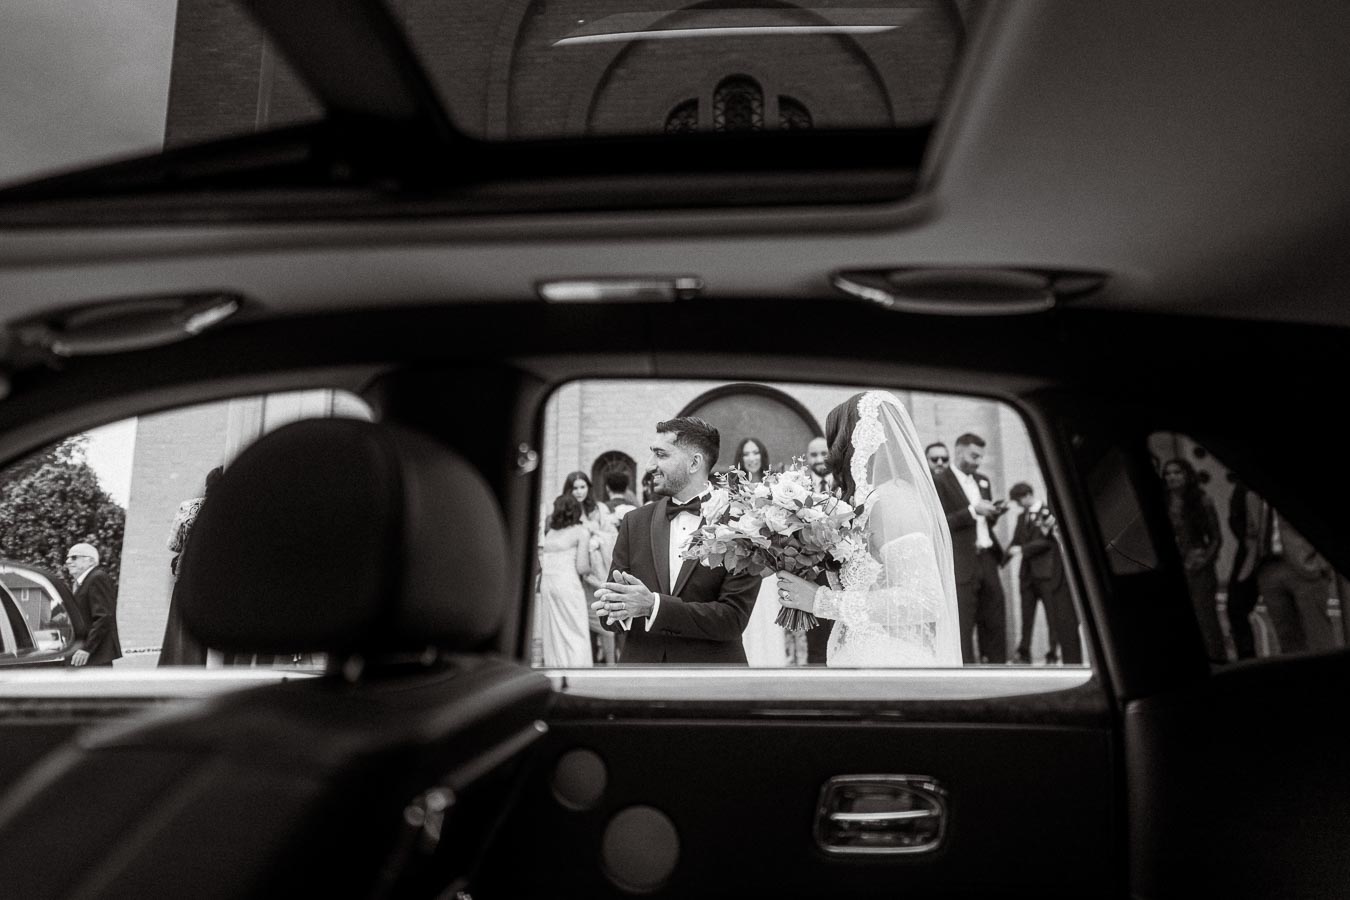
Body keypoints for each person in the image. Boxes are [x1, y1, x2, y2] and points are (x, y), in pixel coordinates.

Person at [774, 392, 963, 667]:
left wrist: (822, 601)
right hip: (858, 655)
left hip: (889, 661)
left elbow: (925, 599)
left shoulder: (893, 499)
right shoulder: (866, 503)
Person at [593, 417, 762, 664]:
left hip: (712, 682)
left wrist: (654, 606)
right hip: (642, 678)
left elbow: (732, 619)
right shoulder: (634, 522)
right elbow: (613, 610)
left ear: (694, 462)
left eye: (661, 455)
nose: (650, 466)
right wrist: (615, 610)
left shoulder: (742, 524)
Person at [933, 433, 1008, 663]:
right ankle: (966, 672)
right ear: (958, 451)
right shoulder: (940, 481)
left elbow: (984, 523)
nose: (977, 462)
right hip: (962, 561)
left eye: (980, 457)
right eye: (974, 455)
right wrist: (973, 511)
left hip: (987, 558)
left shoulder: (983, 480)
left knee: (995, 619)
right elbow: (940, 522)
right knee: (963, 622)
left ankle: (997, 670)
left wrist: (993, 513)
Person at [1008, 483, 1082, 665]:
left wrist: (1023, 549)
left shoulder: (1047, 512)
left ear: (1026, 495)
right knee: (1027, 617)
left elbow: (1047, 542)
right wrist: (1002, 557)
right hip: (1027, 575)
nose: (1019, 505)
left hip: (1048, 573)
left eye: (1019, 500)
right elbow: (1015, 541)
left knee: (1055, 617)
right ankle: (1024, 652)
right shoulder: (1021, 517)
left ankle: (1052, 654)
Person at [1162, 459, 1226, 663]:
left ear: (1187, 475)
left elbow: (1216, 537)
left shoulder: (1201, 500)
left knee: (1205, 617)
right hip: (1171, 567)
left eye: (1177, 472)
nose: (1172, 477)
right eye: (1168, 473)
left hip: (1198, 566)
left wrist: (1204, 560)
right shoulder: (1161, 501)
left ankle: (1215, 661)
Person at [1253, 498, 1336, 655]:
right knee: (1287, 641)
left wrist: (1321, 562)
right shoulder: (1252, 496)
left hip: (1305, 566)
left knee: (1319, 636)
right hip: (1268, 568)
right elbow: (1251, 532)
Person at [159, 466, 222, 666]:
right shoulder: (239, 508)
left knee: (181, 635)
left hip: (190, 577)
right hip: (222, 582)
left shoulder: (188, 508)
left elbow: (173, 544)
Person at [735, 437, 789, 667]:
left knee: (768, 615)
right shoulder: (735, 490)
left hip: (768, 565)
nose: (751, 458)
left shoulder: (774, 488)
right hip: (745, 563)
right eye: (746, 454)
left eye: (755, 452)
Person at [538, 495, 596, 667]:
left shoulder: (551, 533)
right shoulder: (581, 531)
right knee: (576, 629)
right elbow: (582, 567)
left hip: (547, 584)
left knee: (553, 632)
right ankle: (579, 670)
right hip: (567, 583)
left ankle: (556, 667)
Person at [803, 435, 835, 665]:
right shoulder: (798, 487)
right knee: (816, 642)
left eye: (824, 453)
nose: (819, 459)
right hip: (810, 574)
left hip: (843, 573)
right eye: (814, 454)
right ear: (807, 458)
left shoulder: (847, 481)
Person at [65, 542, 121, 667]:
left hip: (94, 657)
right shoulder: (82, 583)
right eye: (67, 558)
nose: (68, 561)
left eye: (74, 557)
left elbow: (104, 616)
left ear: (90, 561)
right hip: (86, 656)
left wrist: (87, 649)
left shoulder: (97, 578)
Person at [1225, 478, 1262, 660]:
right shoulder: (1244, 487)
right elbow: (1234, 517)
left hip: (1272, 551)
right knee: (1236, 605)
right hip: (1250, 549)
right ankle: (1246, 654)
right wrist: (1247, 540)